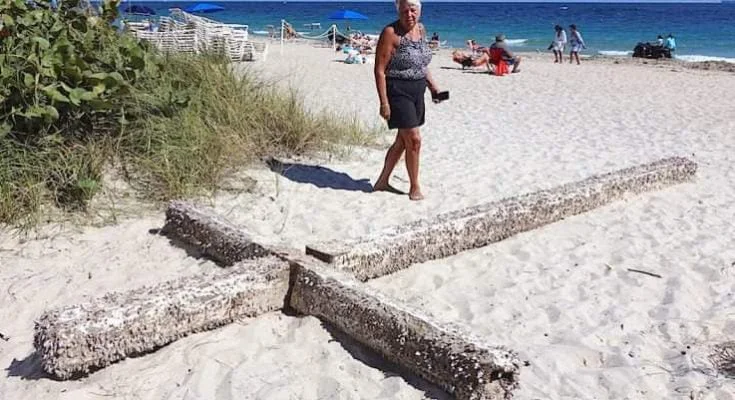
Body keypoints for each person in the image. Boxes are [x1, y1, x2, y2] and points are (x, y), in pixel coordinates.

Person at [373, 0, 441, 201]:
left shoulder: (421, 29)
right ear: (398, 10)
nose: (409, 14)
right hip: (397, 91)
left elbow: (421, 64)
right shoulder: (390, 33)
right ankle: (414, 187)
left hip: (417, 90)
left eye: (413, 10)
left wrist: (433, 88)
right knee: (414, 139)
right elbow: (379, 70)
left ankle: (382, 182)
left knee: (402, 141)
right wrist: (384, 102)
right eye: (405, 10)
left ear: (419, 10)